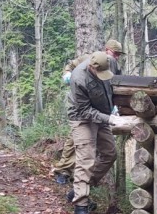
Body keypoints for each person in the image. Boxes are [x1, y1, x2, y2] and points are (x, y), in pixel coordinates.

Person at [51, 40, 124, 185]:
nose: (116, 57)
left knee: (107, 151)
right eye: (115, 53)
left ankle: (83, 182)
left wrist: (115, 105)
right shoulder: (87, 60)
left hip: (100, 109)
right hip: (80, 107)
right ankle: (63, 171)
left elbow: (118, 82)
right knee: (75, 141)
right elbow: (70, 65)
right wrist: (67, 74)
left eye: (118, 55)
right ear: (107, 49)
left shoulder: (113, 65)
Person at [66, 49, 122, 214]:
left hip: (103, 115)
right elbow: (84, 110)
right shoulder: (79, 78)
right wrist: (109, 118)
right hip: (82, 118)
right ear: (91, 67)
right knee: (86, 158)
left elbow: (118, 81)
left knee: (110, 153)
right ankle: (80, 209)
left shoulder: (109, 62)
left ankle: (78, 189)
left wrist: (117, 107)